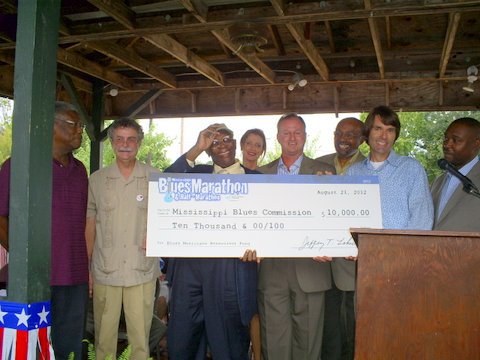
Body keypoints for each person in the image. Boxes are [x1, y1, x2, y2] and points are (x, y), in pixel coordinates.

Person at [0, 101, 89, 360]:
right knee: (32, 347)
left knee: (70, 345)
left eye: (82, 126)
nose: (80, 131)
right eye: (74, 125)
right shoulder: (19, 165)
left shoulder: (80, 170)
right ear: (51, 126)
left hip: (75, 273)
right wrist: (23, 255)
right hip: (35, 276)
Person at [164, 123, 259, 360]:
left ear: (236, 143)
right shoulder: (196, 173)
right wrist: (197, 148)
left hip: (232, 269)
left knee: (228, 343)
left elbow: (270, 223)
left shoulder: (260, 180)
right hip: (189, 267)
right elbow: (164, 182)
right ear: (208, 150)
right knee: (183, 340)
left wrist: (260, 248)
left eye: (226, 139)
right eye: (214, 142)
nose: (222, 145)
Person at [257, 113, 335, 360]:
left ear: (305, 136)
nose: (292, 137)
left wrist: (331, 244)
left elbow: (334, 215)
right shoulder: (260, 174)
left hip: (311, 267)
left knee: (309, 344)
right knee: (274, 342)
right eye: (286, 132)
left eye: (297, 132)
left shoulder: (325, 172)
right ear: (278, 137)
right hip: (272, 270)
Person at [85, 118, 160, 360]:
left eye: (131, 139)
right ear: (111, 143)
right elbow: (90, 226)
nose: (125, 144)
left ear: (139, 143)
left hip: (141, 270)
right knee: (104, 339)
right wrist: (88, 268)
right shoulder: (97, 179)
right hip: (106, 269)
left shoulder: (156, 178)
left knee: (140, 340)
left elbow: (169, 220)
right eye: (119, 139)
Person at [316, 117, 365, 360]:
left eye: (351, 134)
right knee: (327, 332)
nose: (344, 139)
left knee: (350, 329)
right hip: (318, 264)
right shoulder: (317, 164)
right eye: (339, 133)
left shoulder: (369, 168)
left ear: (362, 139)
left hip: (351, 265)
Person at [346, 105, 434, 230]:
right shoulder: (353, 172)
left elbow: (422, 219)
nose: (383, 136)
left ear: (395, 135)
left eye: (390, 130)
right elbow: (344, 213)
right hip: (363, 247)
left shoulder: (411, 169)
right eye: (378, 128)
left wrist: (400, 247)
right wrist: (322, 182)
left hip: (402, 248)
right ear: (368, 132)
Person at [240, 128, 266, 360]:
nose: (252, 148)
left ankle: (257, 356)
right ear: (241, 145)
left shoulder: (266, 177)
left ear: (263, 150)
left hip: (258, 257)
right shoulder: (230, 173)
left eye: (258, 145)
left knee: (254, 311)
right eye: (249, 143)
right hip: (232, 256)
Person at [431, 117, 480, 231]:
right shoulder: (437, 183)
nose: (447, 145)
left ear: (476, 143)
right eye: (446, 138)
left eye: (456, 140)